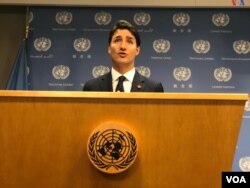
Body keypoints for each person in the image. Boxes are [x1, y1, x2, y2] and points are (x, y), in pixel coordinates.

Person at [83, 20, 164, 92]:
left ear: (137, 50)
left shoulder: (153, 88)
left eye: (129, 41)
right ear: (109, 48)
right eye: (117, 40)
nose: (123, 47)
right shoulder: (91, 87)